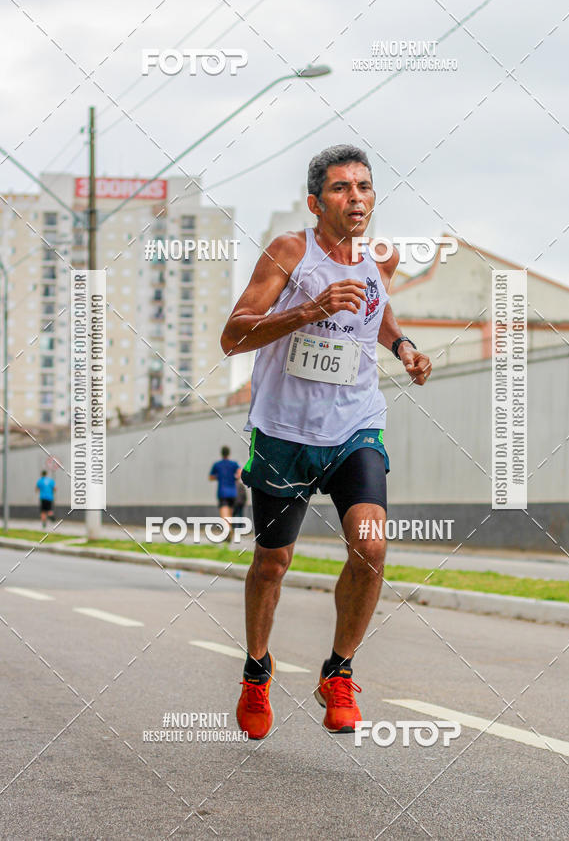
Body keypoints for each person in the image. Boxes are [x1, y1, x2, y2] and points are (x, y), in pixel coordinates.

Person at [221, 144, 432, 740]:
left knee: (372, 546)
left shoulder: (382, 258)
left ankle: (338, 671)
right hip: (284, 431)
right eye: (341, 188)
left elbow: (378, 312)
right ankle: (256, 672)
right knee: (272, 562)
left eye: (363, 187)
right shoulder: (290, 252)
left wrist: (403, 347)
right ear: (316, 203)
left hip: (354, 426)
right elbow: (233, 336)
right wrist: (307, 310)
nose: (355, 197)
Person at [209, 447, 241, 538]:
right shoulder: (234, 464)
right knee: (230, 512)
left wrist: (219, 476)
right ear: (229, 453)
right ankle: (229, 529)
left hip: (222, 491)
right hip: (233, 492)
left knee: (224, 511)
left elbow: (211, 477)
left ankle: (227, 528)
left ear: (221, 453)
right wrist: (235, 477)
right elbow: (239, 473)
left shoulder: (217, 465)